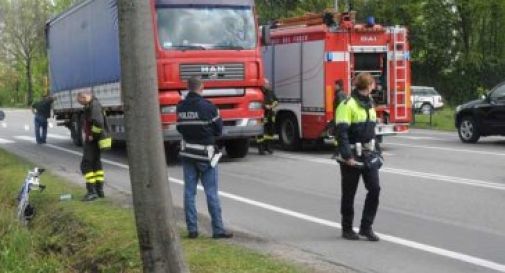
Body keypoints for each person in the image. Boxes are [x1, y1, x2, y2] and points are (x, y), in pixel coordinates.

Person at [176, 77, 233, 239]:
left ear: (188, 88)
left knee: (189, 193)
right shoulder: (208, 107)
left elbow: (180, 128)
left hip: (188, 154)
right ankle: (217, 230)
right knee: (211, 193)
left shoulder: (180, 107)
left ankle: (192, 230)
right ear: (202, 87)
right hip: (206, 155)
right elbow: (218, 130)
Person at [334, 72, 382, 242]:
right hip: (352, 156)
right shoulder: (347, 105)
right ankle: (347, 229)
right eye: (373, 84)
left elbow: (372, 132)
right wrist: (347, 156)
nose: (374, 86)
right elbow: (341, 133)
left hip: (368, 154)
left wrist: (378, 153)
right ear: (369, 86)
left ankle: (366, 227)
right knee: (349, 193)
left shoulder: (370, 103)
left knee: (375, 189)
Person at [77, 91, 111, 202]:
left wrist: (92, 135)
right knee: (96, 164)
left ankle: (91, 192)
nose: (80, 103)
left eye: (80, 101)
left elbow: (98, 122)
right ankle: (99, 190)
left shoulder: (94, 105)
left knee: (86, 164)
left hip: (93, 140)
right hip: (97, 140)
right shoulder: (92, 104)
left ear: (85, 96)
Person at [257, 79, 278, 155]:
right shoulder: (259, 93)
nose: (268, 85)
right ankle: (261, 149)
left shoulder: (271, 93)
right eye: (266, 84)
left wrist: (272, 105)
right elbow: (256, 103)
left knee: (270, 132)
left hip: (270, 115)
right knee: (261, 133)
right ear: (263, 85)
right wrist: (264, 106)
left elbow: (276, 100)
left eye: (268, 84)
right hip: (261, 115)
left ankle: (269, 148)